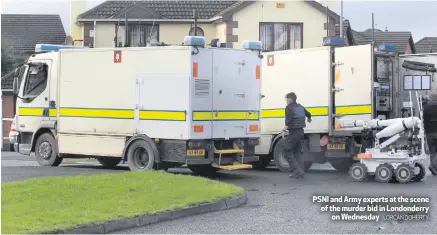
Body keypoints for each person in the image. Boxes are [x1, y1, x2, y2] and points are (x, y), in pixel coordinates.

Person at [282, 92, 312, 179]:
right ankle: (299, 172)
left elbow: (289, 119)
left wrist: (284, 129)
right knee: (297, 152)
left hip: (294, 133)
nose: (286, 101)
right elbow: (308, 114)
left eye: (286, 99)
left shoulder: (289, 107)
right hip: (301, 132)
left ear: (290, 99)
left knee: (286, 150)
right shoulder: (300, 107)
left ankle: (297, 171)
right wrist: (309, 119)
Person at [423, 92, 437, 175]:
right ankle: (433, 166)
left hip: (429, 133)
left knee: (432, 151)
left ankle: (434, 168)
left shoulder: (425, 107)